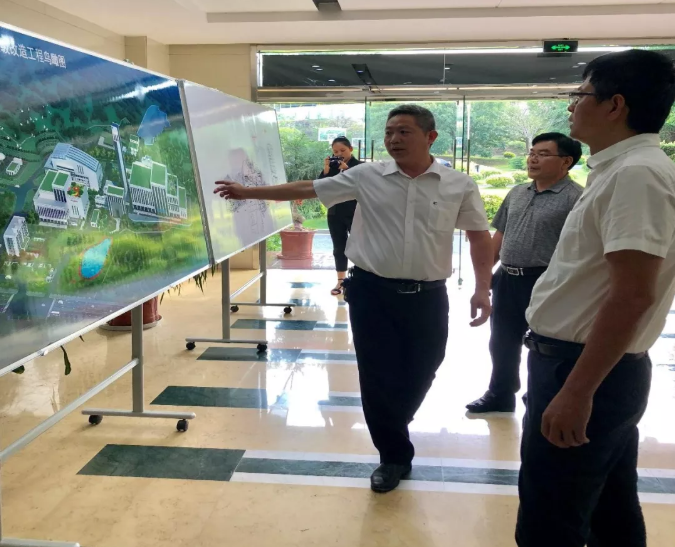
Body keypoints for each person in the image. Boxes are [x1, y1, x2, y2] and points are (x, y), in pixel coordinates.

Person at [215, 105, 494, 494]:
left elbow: (479, 236)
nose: (394, 139)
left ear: (430, 137)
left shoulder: (458, 184)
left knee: (426, 365)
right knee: (376, 373)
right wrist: (248, 192)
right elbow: (307, 188)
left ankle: (393, 421)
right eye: (389, 132)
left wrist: (482, 288)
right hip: (371, 291)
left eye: (404, 132)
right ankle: (393, 456)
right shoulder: (367, 175)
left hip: (428, 295)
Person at [516, 50, 675, 547]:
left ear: (615, 105)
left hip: (585, 369)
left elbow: (633, 295)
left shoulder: (637, 175)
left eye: (580, 94)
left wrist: (577, 391)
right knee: (610, 509)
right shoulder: (622, 169)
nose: (571, 106)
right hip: (590, 366)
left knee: (550, 522)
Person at [466, 133, 583, 414]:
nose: (533, 159)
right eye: (532, 153)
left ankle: (540, 397)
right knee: (502, 342)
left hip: (547, 282)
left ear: (566, 161)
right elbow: (499, 236)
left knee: (545, 345)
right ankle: (500, 394)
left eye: (543, 154)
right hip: (507, 279)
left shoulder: (577, 198)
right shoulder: (518, 192)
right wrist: (484, 280)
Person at [317, 137, 362, 295]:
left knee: (359, 246)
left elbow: (362, 187)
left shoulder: (360, 166)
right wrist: (326, 169)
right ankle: (340, 281)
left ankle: (361, 280)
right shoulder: (332, 167)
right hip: (335, 212)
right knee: (338, 248)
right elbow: (321, 187)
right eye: (335, 151)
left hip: (356, 212)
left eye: (342, 150)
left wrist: (347, 170)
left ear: (351, 149)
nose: (339, 154)